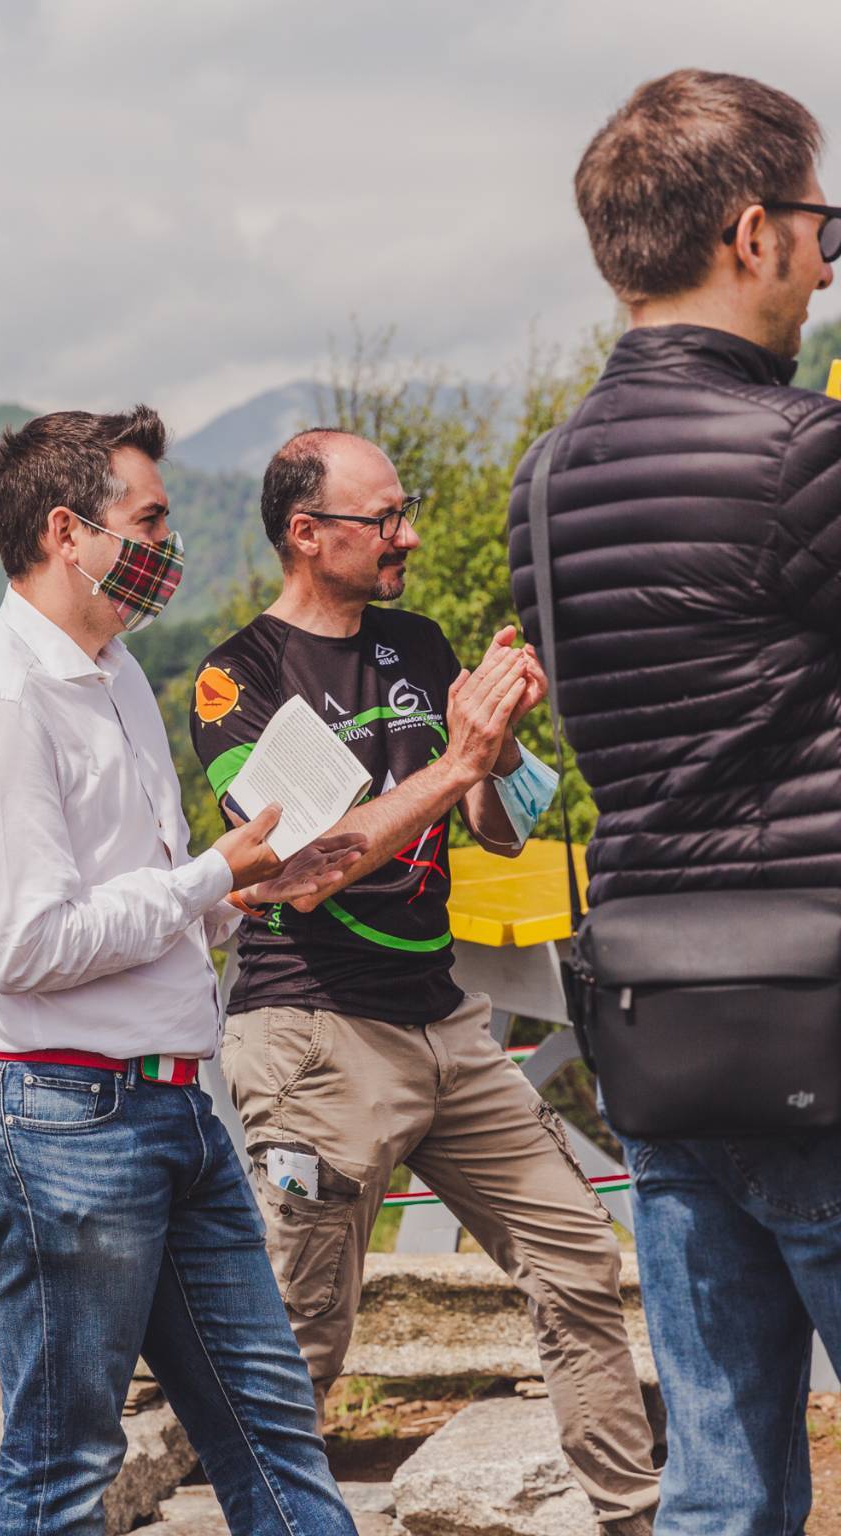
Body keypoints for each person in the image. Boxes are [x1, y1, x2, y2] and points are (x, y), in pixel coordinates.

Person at [190, 427, 661, 1536]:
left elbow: (498, 829)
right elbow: (303, 872)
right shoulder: (237, 679)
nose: (406, 535)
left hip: (444, 1023)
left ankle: (632, 1515)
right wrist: (455, 758)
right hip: (311, 1032)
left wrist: (494, 748)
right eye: (382, 519)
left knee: (579, 1257)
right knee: (303, 1333)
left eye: (405, 511)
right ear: (307, 535)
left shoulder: (416, 640)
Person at [0, 406, 367, 1536]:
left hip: (170, 1103)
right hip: (55, 1115)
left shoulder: (110, 672)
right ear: (67, 531)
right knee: (63, 1476)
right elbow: (25, 943)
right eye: (149, 518)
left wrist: (240, 889)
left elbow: (141, 898)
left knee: (275, 1439)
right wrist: (213, 874)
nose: (170, 542)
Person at [508, 69, 841, 1536]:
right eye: (826, 224)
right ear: (755, 229)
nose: (829, 260)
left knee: (720, 1486)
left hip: (659, 1033)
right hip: (825, 1026)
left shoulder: (544, 477)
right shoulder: (801, 455)